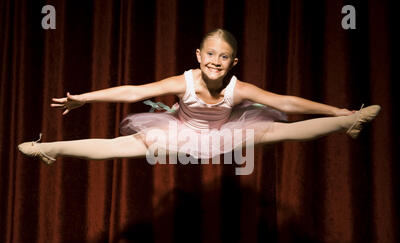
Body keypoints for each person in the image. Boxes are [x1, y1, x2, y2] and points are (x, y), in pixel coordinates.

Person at [18, 28, 381, 165]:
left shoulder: (239, 89)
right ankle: (49, 149)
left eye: (224, 57)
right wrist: (86, 98)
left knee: (275, 130)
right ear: (198, 56)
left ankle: (346, 121)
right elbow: (136, 91)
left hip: (223, 134)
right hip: (180, 133)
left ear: (233, 62)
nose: (216, 62)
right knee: (120, 146)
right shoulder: (185, 81)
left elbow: (286, 103)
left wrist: (336, 108)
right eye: (210, 54)